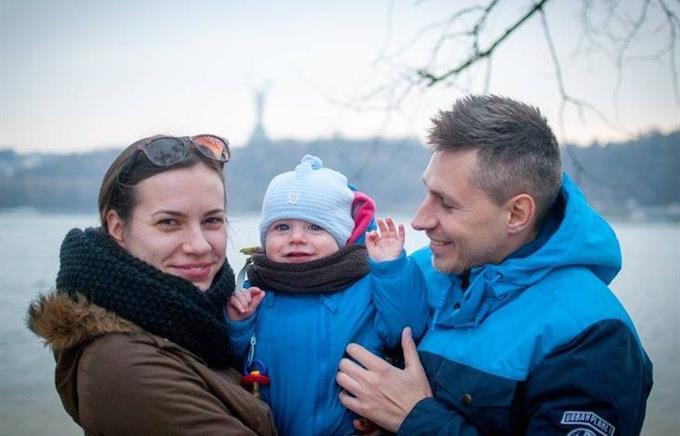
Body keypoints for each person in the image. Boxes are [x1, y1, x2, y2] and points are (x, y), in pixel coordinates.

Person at [337, 95, 653, 435]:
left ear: (516, 213)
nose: (419, 220)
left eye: (446, 203)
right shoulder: (416, 272)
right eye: (428, 192)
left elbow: (408, 412)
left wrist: (416, 419)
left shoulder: (593, 335)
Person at [26, 134, 276, 435]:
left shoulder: (208, 320)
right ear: (117, 227)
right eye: (169, 222)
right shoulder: (126, 367)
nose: (199, 245)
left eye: (212, 220)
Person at [226, 155, 429, 436]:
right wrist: (237, 325)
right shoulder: (257, 291)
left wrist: (392, 270)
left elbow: (405, 330)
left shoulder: (365, 285)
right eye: (282, 227)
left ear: (341, 237)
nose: (296, 238)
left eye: (315, 227)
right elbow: (230, 361)